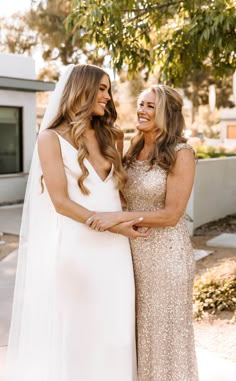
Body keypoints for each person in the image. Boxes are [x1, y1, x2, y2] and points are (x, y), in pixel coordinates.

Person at [5, 64, 149, 381]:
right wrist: (111, 224)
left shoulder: (113, 136)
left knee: (117, 332)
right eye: (101, 88)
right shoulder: (50, 139)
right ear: (80, 89)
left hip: (116, 251)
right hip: (77, 249)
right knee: (78, 334)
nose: (108, 96)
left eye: (109, 89)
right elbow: (60, 202)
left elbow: (120, 196)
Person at [86, 85, 199, 381]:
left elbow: (172, 215)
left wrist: (117, 217)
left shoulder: (181, 153)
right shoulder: (132, 148)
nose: (141, 110)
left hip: (166, 258)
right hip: (130, 255)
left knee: (164, 337)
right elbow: (118, 192)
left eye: (150, 106)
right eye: (140, 104)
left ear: (167, 113)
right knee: (135, 335)